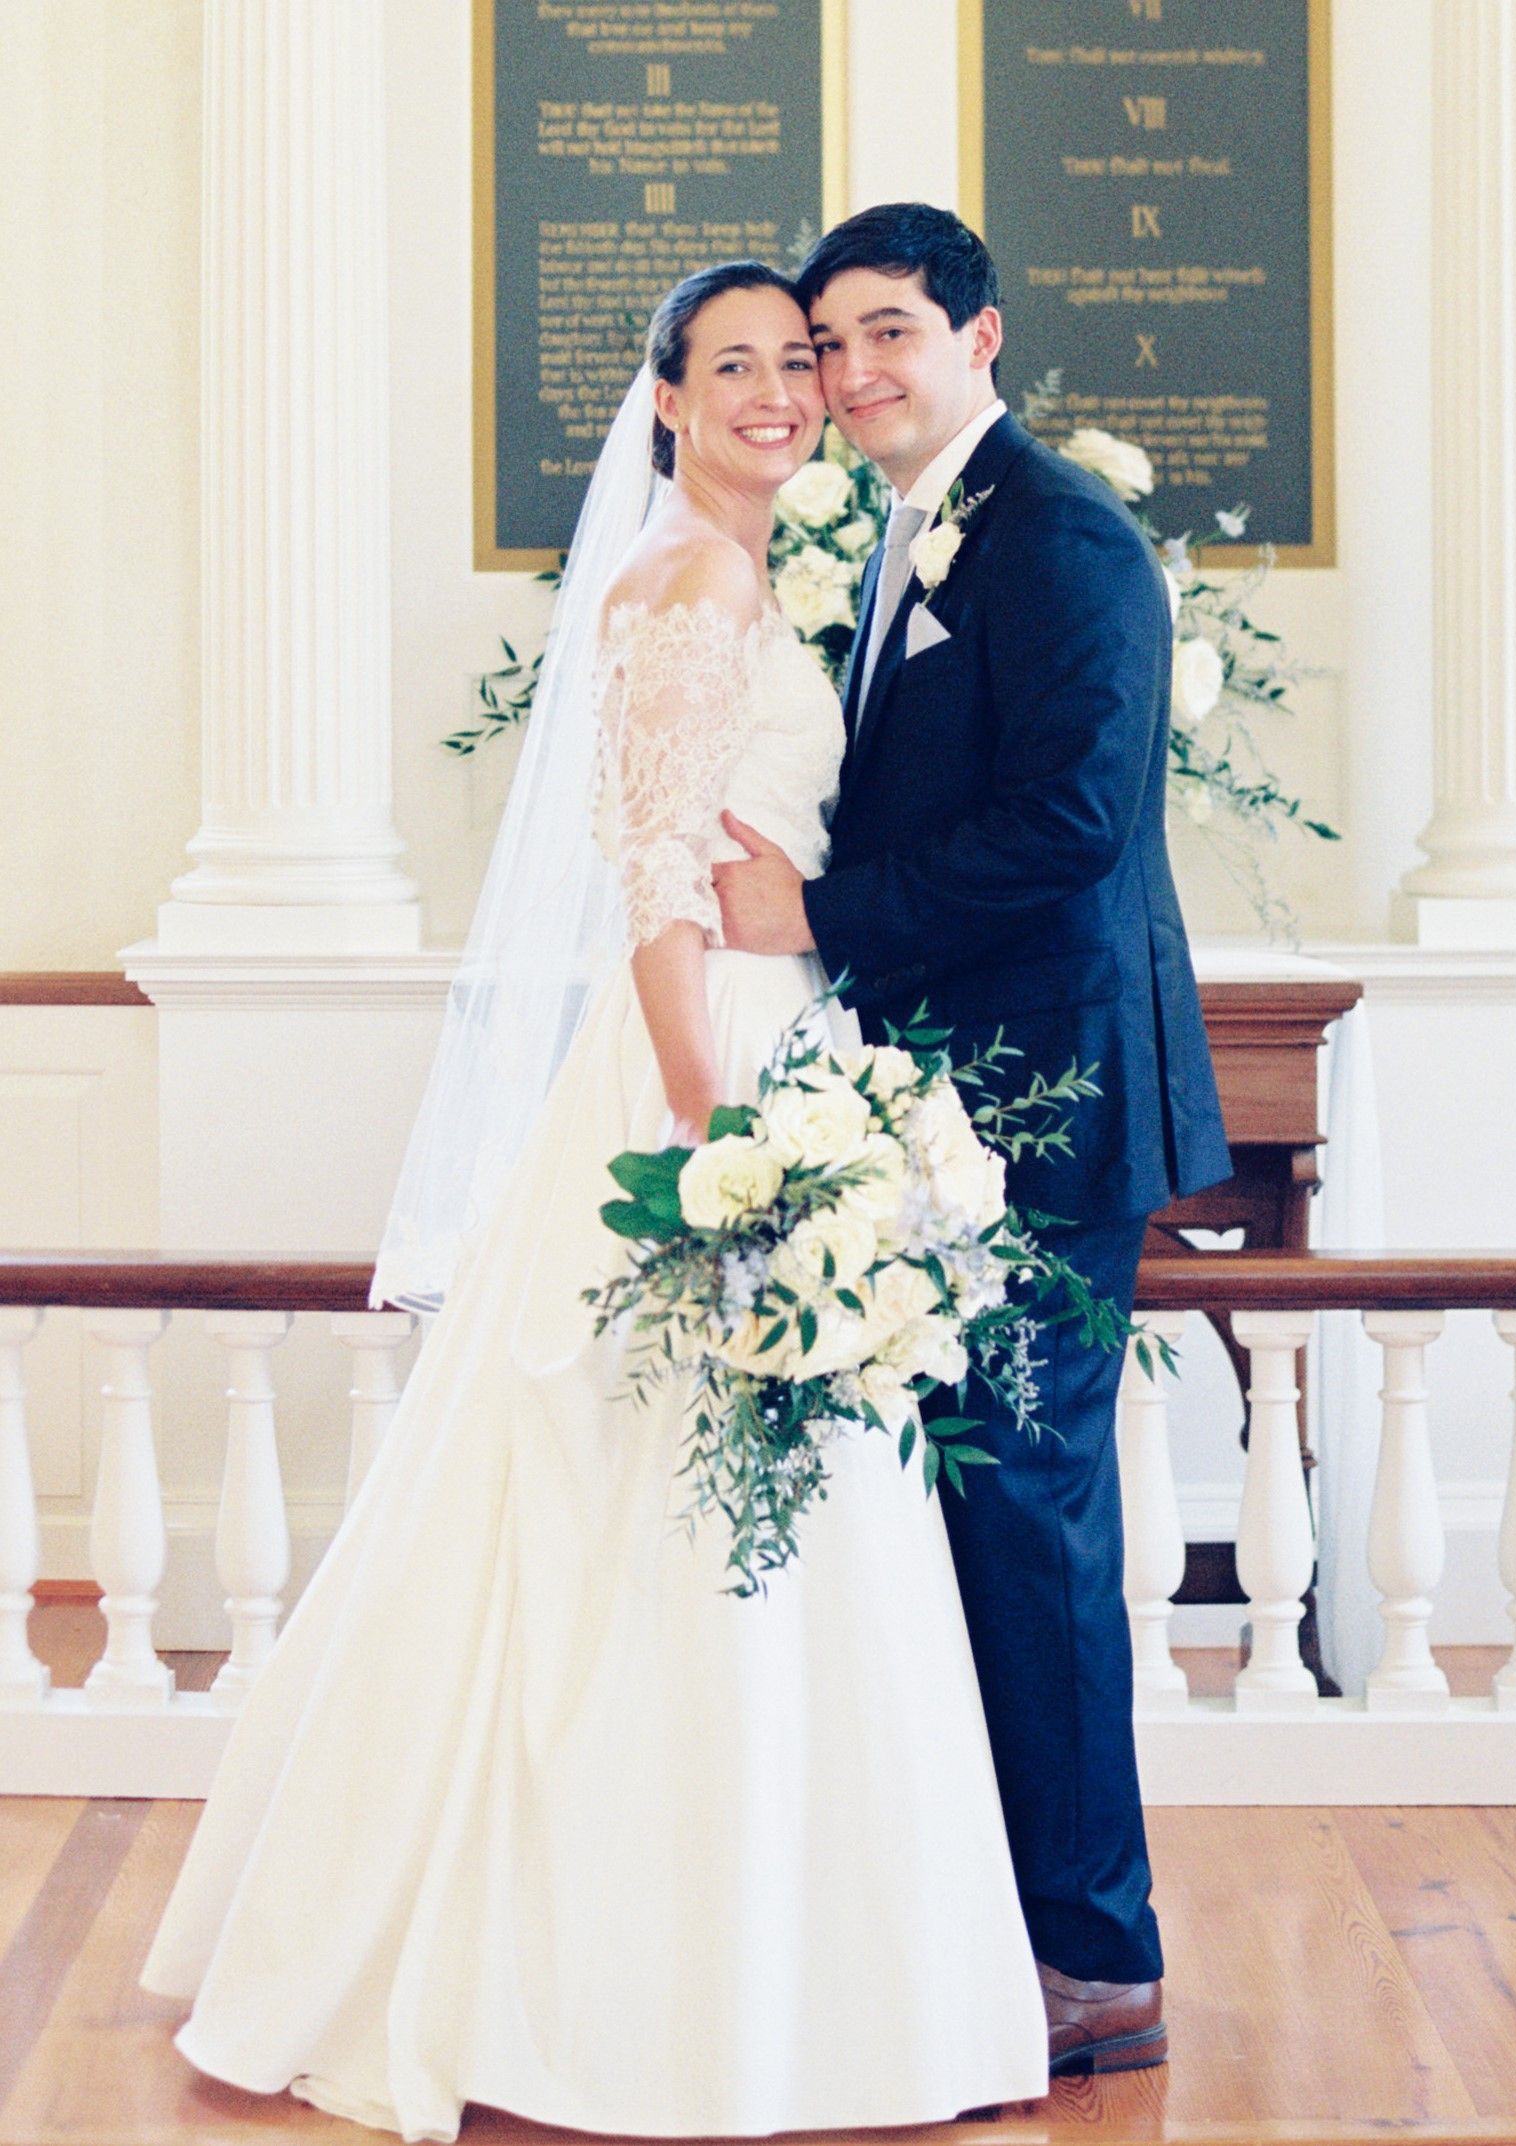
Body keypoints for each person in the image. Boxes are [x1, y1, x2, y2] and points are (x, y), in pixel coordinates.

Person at [139, 262, 1049, 2141]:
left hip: (772, 1037)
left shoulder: (744, 576)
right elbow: (655, 887)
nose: (783, 392)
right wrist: (719, 1144)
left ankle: (764, 1969)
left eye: (797, 361)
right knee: (654, 1500)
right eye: (737, 367)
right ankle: (684, 1989)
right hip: (707, 1064)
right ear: (664, 403)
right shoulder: (697, 586)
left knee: (748, 1511)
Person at [715, 203, 1235, 2076]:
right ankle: (984, 1924)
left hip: (1052, 1108)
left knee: (1027, 1518)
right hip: (949, 1100)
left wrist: (819, 924)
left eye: (886, 335)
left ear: (981, 336)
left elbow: (1078, 824)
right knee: (972, 1515)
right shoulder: (916, 532)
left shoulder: (1065, 539)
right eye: (829, 342)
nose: (851, 374)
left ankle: (1100, 1959)